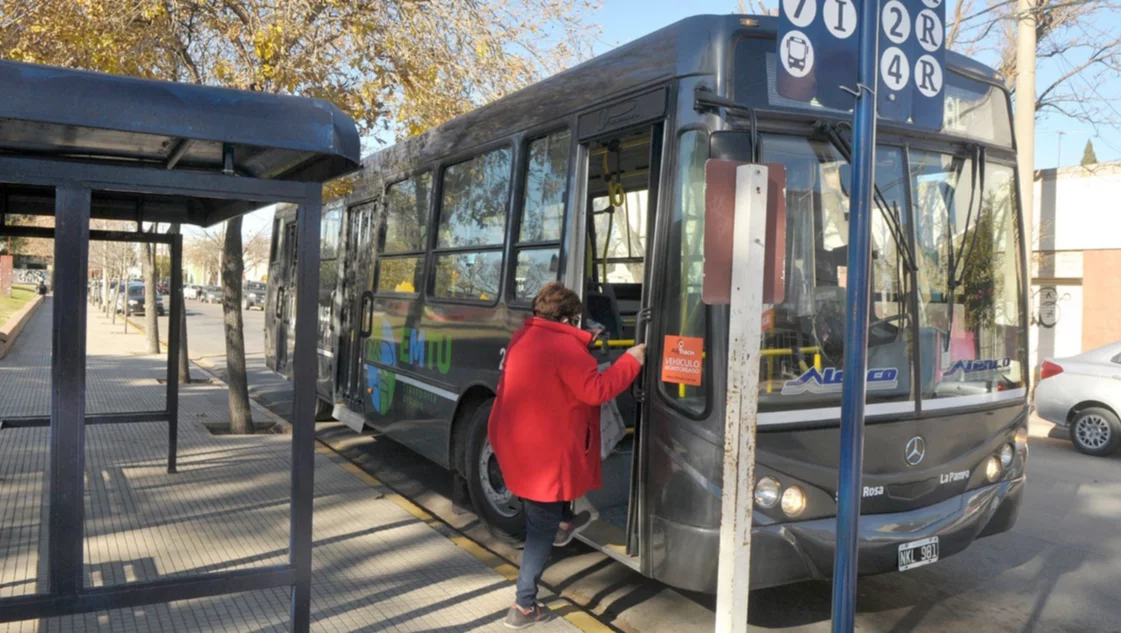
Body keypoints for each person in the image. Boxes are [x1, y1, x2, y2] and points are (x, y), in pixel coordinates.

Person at [488, 281, 646, 629]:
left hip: (516, 444)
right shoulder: (565, 348)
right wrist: (631, 360)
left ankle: (562, 524)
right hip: (545, 458)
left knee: (543, 512)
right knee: (538, 530)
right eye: (577, 319)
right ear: (568, 319)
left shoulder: (523, 337)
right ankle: (523, 606)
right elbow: (596, 390)